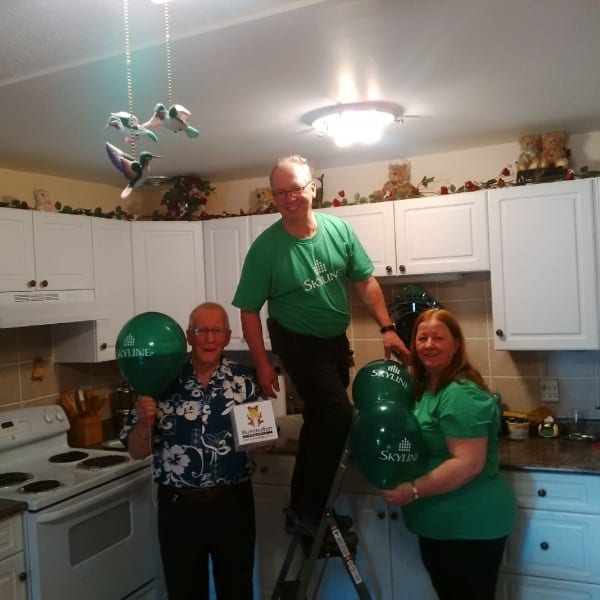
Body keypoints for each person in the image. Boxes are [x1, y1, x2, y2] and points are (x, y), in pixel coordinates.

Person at [232, 154, 409, 538]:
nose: (288, 198)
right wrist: (263, 364)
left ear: (312, 189)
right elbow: (248, 311)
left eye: (295, 188)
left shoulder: (339, 231)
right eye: (280, 192)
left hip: (333, 342)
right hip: (294, 338)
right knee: (338, 415)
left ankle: (306, 508)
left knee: (321, 419)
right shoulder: (266, 249)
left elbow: (365, 282)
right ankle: (305, 511)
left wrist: (388, 327)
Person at [120, 302, 262, 600]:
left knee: (237, 590)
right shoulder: (161, 377)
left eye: (217, 330)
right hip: (179, 508)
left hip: (233, 505)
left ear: (227, 335)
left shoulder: (244, 380)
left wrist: (263, 437)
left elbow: (261, 439)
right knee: (184, 591)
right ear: (188, 335)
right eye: (201, 331)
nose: (209, 338)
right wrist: (144, 424)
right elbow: (136, 451)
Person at [382, 308, 516, 600]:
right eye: (422, 338)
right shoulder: (427, 387)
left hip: (469, 525)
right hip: (441, 524)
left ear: (456, 344)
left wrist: (413, 491)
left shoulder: (459, 393)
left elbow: (468, 464)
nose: (429, 345)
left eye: (438, 338)